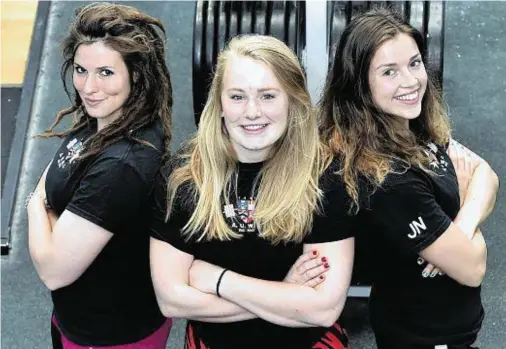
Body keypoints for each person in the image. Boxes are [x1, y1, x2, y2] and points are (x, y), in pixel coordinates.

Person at [150, 34, 355, 349]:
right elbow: (171, 301)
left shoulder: (324, 179)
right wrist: (285, 294)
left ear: (294, 100)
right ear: (219, 103)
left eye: (268, 96)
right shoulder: (183, 178)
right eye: (237, 96)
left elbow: (322, 309)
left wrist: (218, 281)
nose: (252, 112)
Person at [318, 7, 499, 349]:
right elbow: (473, 266)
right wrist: (463, 234)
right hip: (422, 337)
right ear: (359, 82)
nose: (410, 81)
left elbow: (486, 175)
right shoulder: (387, 179)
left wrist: (461, 224)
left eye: (414, 64)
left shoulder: (412, 128)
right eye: (389, 72)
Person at [27, 3, 173, 348]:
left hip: (109, 336)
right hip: (77, 320)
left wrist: (37, 206)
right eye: (81, 70)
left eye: (106, 73)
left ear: (135, 75)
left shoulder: (122, 165)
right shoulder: (105, 119)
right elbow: (55, 175)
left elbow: (54, 271)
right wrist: (50, 214)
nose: (89, 87)